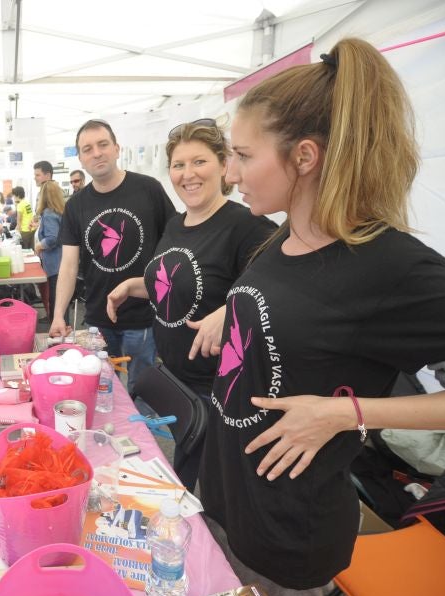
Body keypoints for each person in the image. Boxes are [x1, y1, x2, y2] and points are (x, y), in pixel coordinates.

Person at [192, 39, 445, 596]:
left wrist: (345, 413)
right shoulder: (286, 234)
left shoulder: (393, 265)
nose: (229, 172)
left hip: (287, 534)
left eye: (244, 156)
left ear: (304, 157)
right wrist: (228, 312)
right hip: (226, 496)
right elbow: (296, 310)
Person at [106, 119, 276, 487]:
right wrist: (135, 285)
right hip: (177, 379)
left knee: (217, 491)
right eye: (178, 165)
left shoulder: (248, 227)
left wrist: (231, 311)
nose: (188, 174)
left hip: (222, 390)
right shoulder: (176, 224)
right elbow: (177, 283)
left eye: (199, 162)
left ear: (224, 164)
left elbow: (280, 295)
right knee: (184, 480)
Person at [50, 119, 177, 393]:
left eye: (103, 144)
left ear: (117, 149)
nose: (97, 153)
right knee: (101, 391)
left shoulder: (149, 189)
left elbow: (175, 243)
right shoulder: (76, 205)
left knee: (143, 393)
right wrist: (58, 314)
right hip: (98, 319)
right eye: (88, 149)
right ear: (81, 159)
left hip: (144, 316)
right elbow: (69, 266)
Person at [34, 180, 65, 323]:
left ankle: (56, 327)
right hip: (62, 261)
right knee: (61, 300)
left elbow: (52, 238)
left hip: (54, 263)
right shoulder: (60, 212)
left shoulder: (49, 214)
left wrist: (39, 245)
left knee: (56, 299)